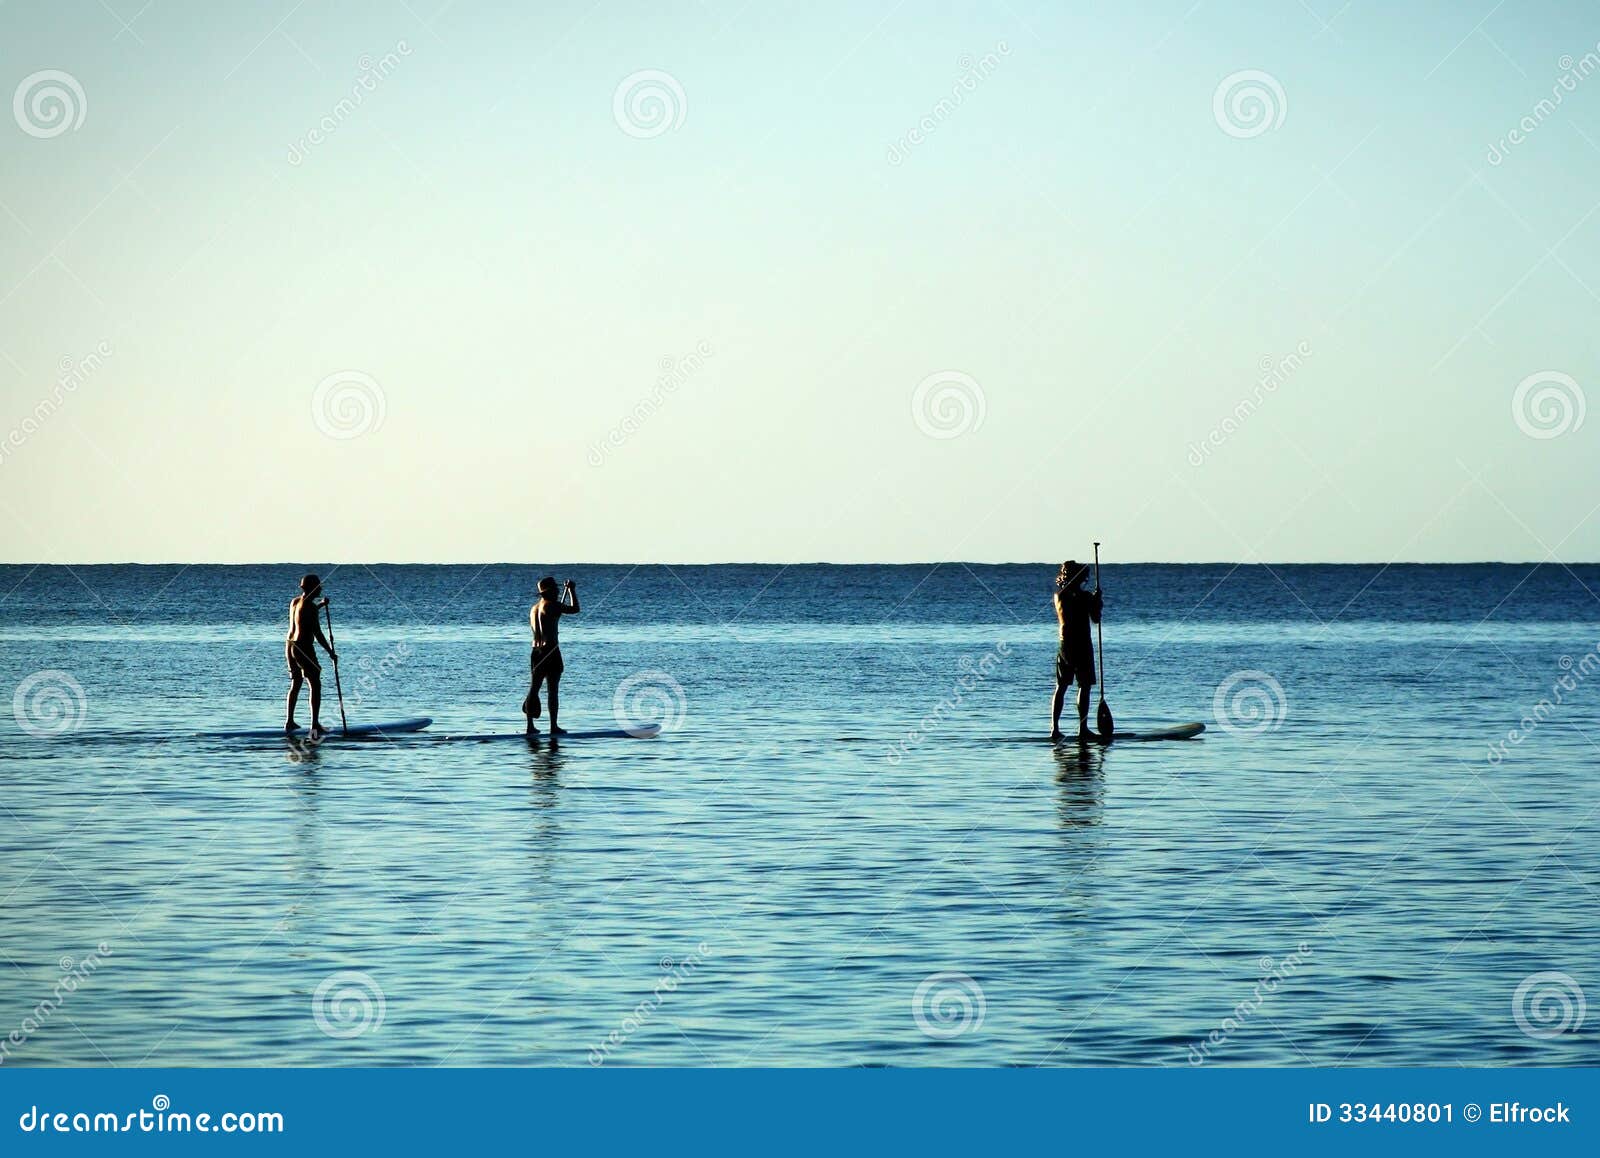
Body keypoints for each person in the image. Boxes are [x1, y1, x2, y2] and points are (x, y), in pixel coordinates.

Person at [1049, 560, 1102, 741]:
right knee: (1083, 686)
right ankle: (1082, 728)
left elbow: (1094, 616)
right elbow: (1095, 618)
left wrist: (1096, 602)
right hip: (1080, 644)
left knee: (1062, 686)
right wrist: (1096, 602)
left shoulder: (1059, 595)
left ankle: (1055, 729)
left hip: (1065, 644)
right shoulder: (1082, 597)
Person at [522, 576, 579, 735]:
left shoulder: (534, 608)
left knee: (534, 688)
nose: (558, 590)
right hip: (551, 651)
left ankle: (530, 726)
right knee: (552, 690)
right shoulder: (553, 605)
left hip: (536, 652)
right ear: (550, 591)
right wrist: (572, 590)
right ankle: (553, 726)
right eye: (555, 588)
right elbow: (575, 609)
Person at [286, 573, 337, 737]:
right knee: (315, 683)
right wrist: (331, 653)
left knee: (297, 682)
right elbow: (318, 633)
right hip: (303, 648)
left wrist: (321, 605)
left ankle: (289, 721)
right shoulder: (309, 607)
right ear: (312, 588)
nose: (321, 588)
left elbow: (304, 617)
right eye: (318, 586)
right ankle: (315, 724)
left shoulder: (295, 602)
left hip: (290, 646)